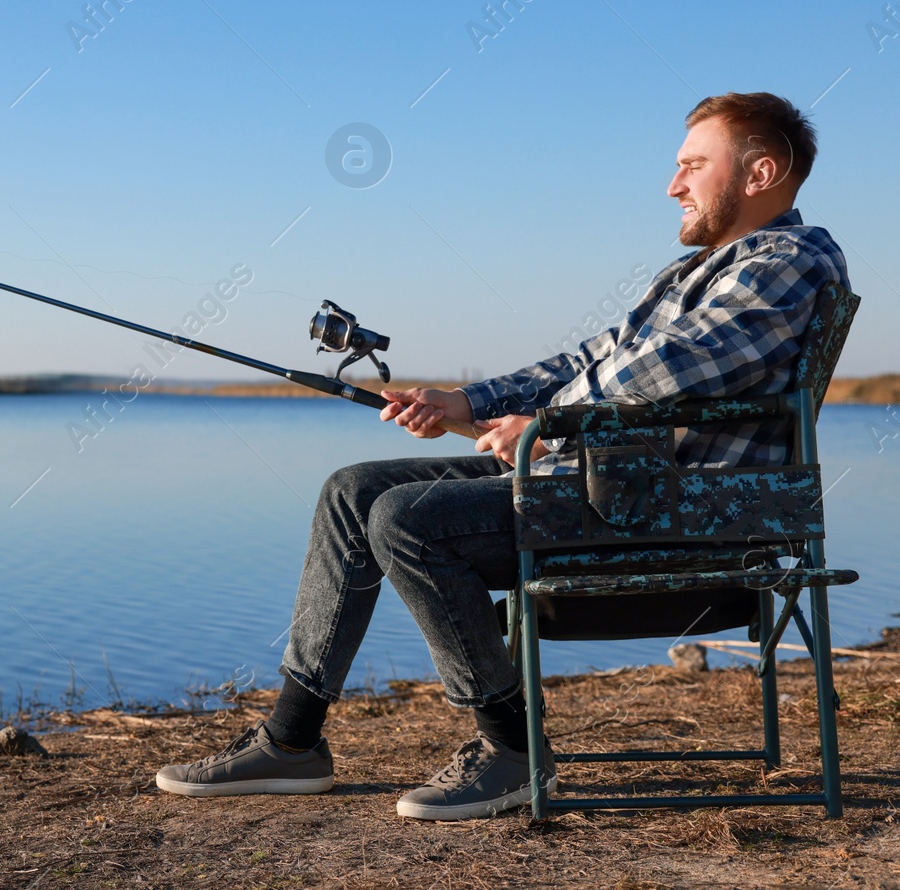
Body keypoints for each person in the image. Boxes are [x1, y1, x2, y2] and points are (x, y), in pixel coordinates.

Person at [153, 92, 850, 819]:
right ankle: (291, 741)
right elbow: (596, 357)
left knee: (408, 521)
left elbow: (682, 364)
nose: (673, 185)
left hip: (683, 509)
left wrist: (550, 426)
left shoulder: (788, 261)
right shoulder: (701, 271)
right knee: (351, 490)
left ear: (761, 171)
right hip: (623, 483)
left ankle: (513, 748)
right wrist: (469, 402)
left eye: (693, 166)